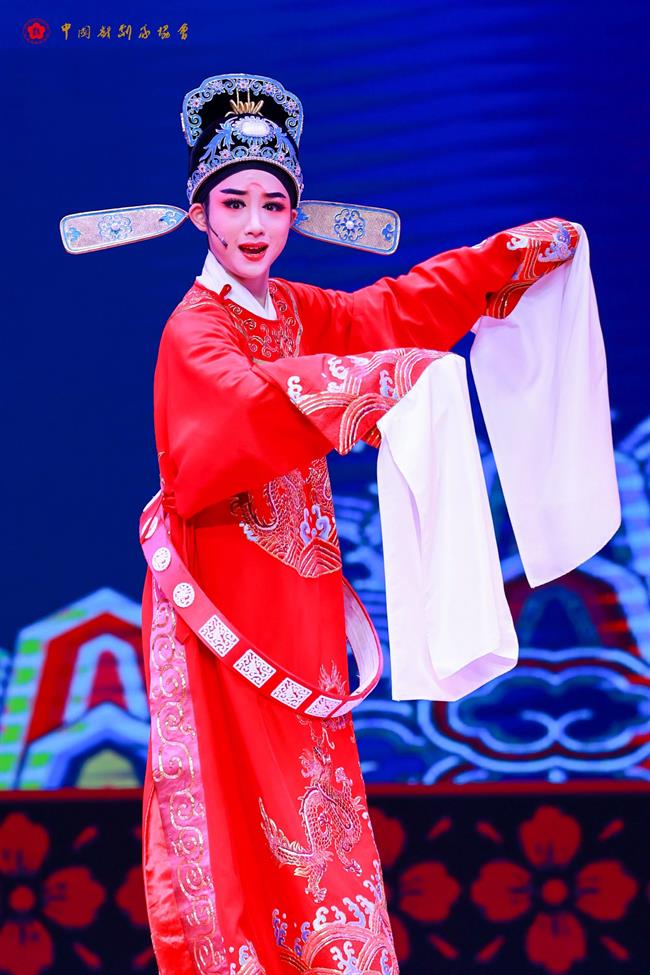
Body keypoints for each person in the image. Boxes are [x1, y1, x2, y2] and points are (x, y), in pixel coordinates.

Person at [80, 74, 617, 975]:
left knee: (317, 815)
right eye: (234, 203)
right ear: (199, 213)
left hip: (302, 621)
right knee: (240, 827)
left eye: (274, 204)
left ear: (296, 213)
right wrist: (373, 384)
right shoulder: (193, 331)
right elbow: (238, 413)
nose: (256, 224)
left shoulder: (299, 311)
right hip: (224, 615)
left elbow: (393, 310)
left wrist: (509, 259)